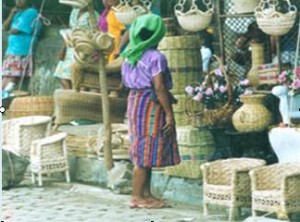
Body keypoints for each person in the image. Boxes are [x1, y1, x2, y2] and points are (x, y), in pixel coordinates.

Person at [121, 14, 180, 208]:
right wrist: (169, 114)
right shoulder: (156, 57)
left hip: (135, 101)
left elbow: (132, 82)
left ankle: (146, 194)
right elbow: (159, 87)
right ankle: (137, 197)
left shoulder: (129, 55)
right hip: (150, 104)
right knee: (146, 148)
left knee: (144, 148)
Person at [53, 5, 99, 89]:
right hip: (70, 47)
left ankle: (75, 96)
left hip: (84, 48)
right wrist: (63, 48)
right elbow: (70, 30)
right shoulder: (74, 11)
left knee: (77, 77)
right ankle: (70, 95)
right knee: (62, 75)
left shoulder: (94, 15)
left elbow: (97, 34)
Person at [2, 0, 41, 91]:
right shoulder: (18, 13)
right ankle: (2, 94)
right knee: (7, 75)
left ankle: (5, 95)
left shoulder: (31, 12)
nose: (18, 1)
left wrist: (8, 32)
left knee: (13, 77)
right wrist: (11, 14)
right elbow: (4, 27)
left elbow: (16, 30)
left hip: (21, 50)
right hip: (11, 50)